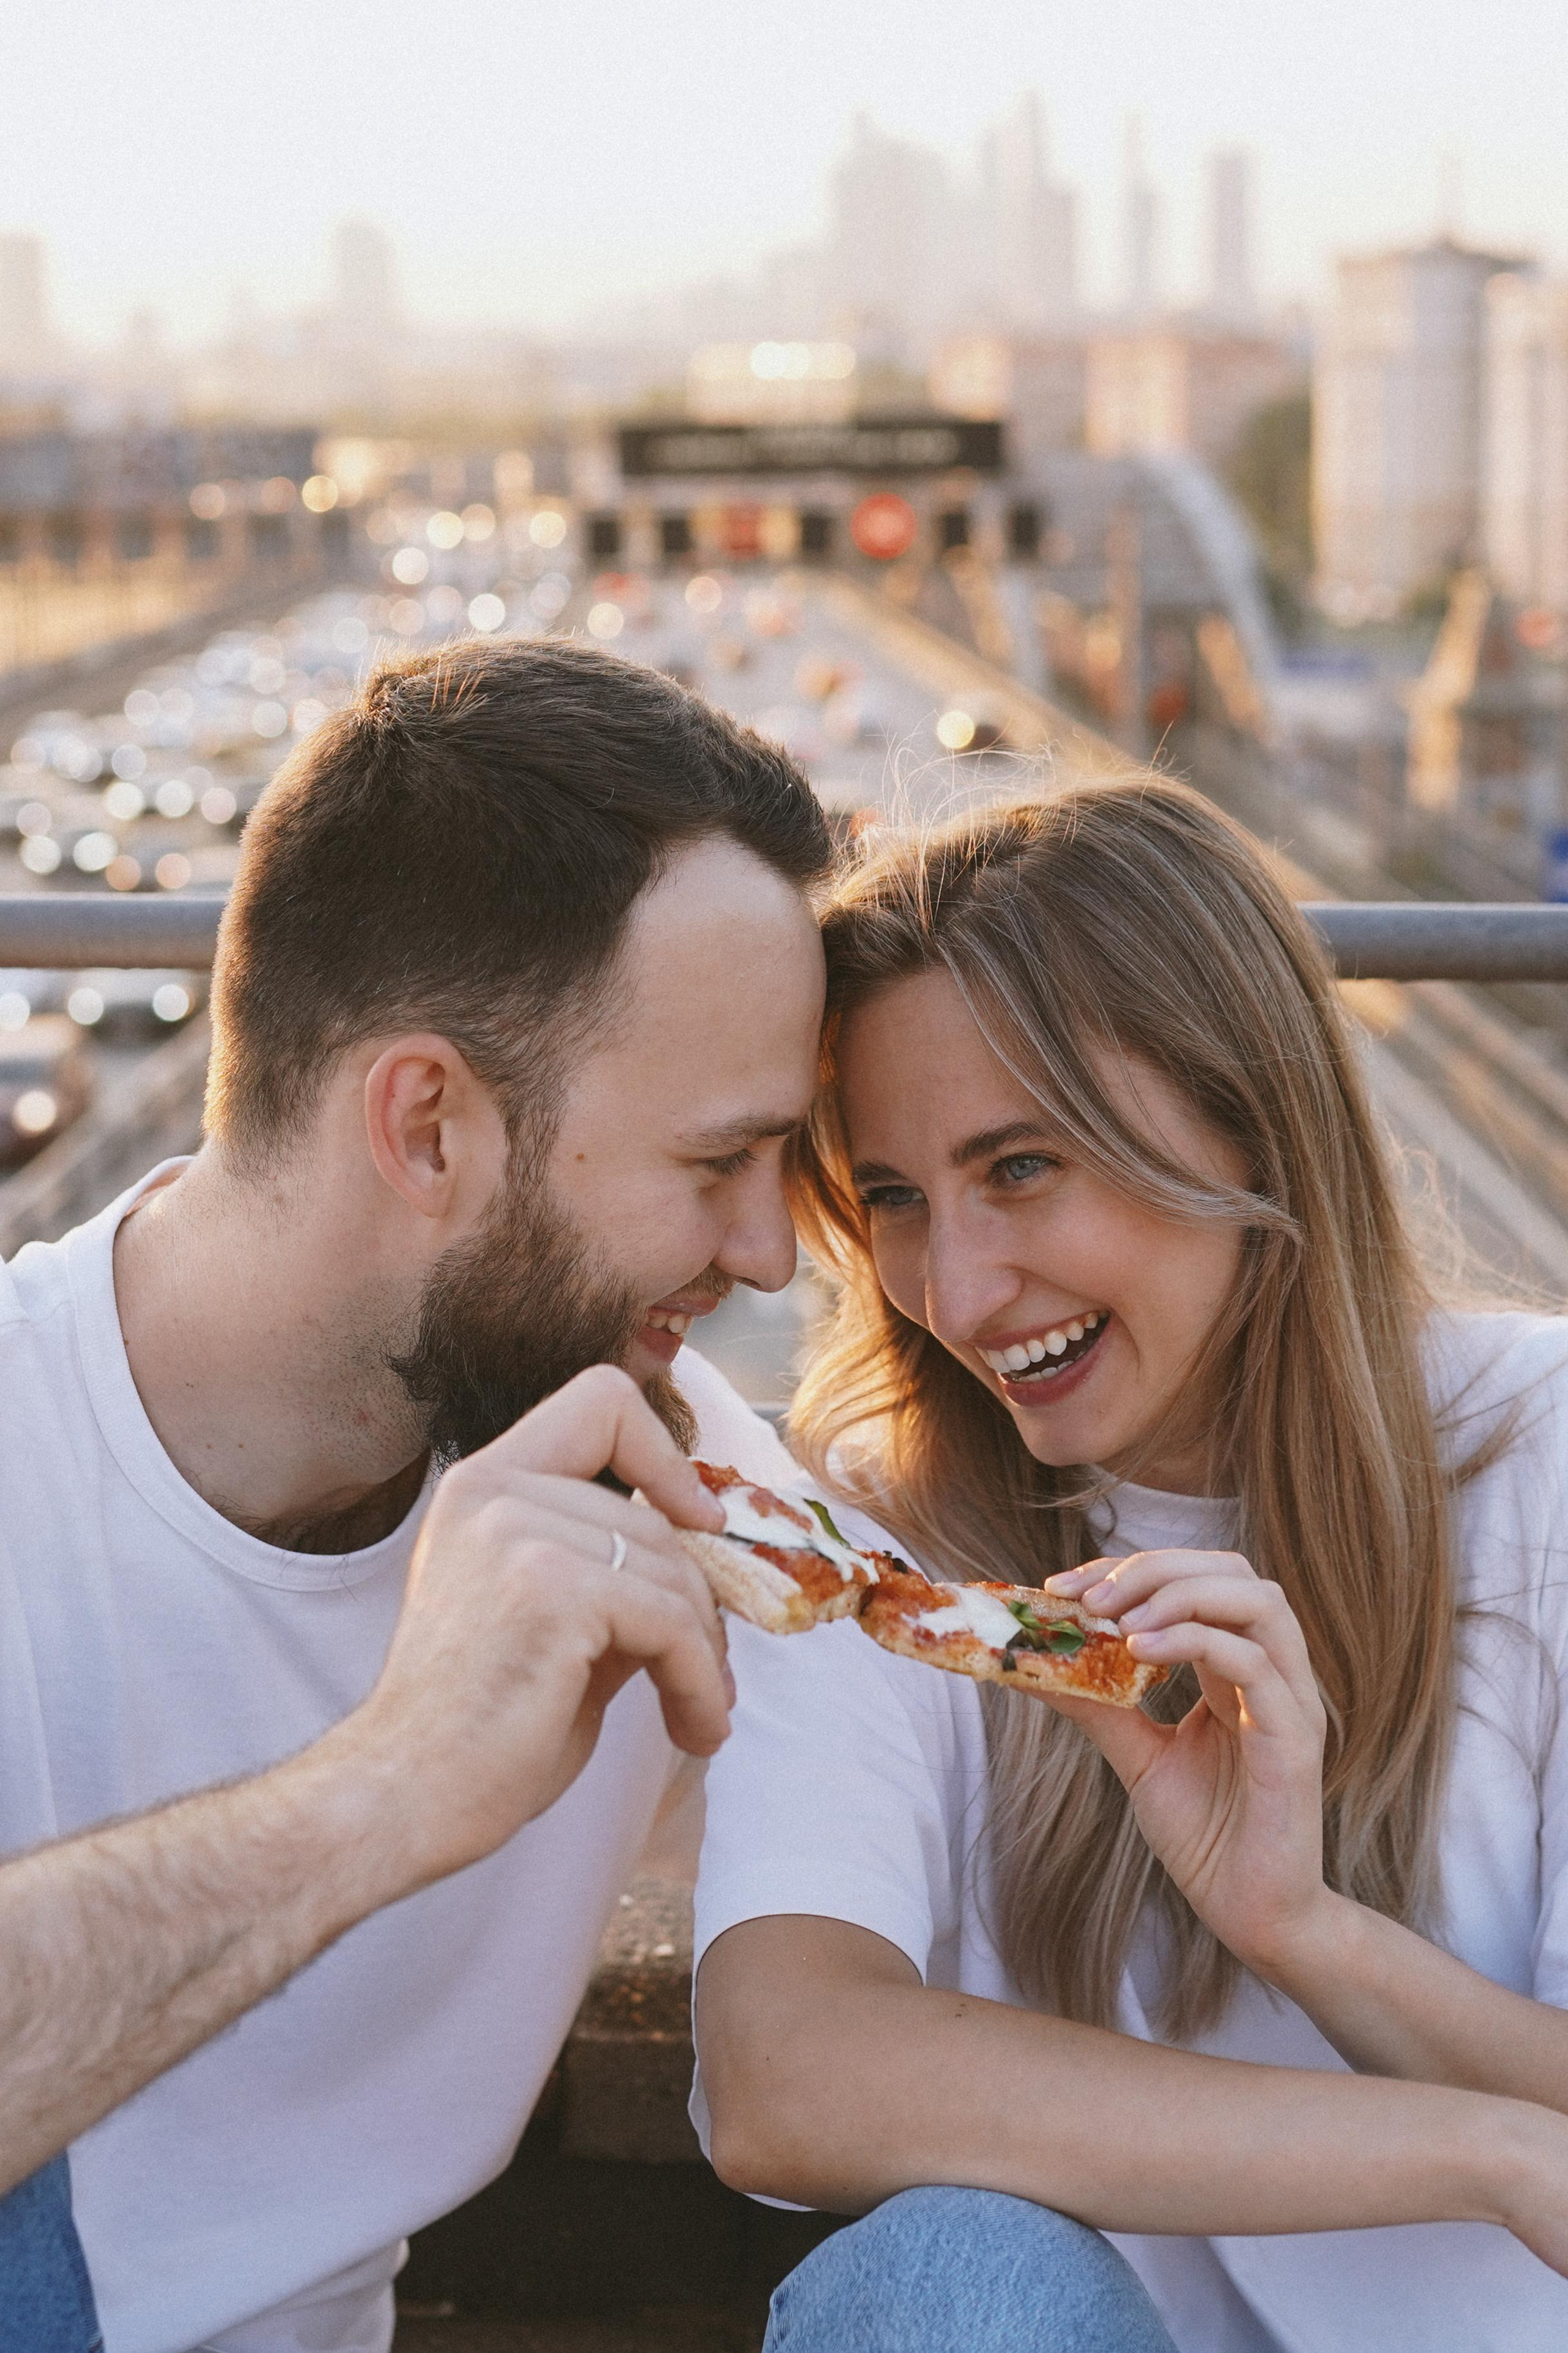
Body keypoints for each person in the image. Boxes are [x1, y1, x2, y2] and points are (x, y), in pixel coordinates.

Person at [0, 632, 841, 2353]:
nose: (770, 1252)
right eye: (717, 1162)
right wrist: (394, 1783)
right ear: (430, 1128)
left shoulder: (680, 1485)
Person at [694, 778, 1568, 2353]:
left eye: (1022, 1166)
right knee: (945, 2281)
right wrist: (1487, 2155)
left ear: (1252, 1120)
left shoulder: (1544, 1454)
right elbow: (781, 2074)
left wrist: (1301, 1929)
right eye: (893, 1198)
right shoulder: (877, 1546)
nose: (956, 1291)